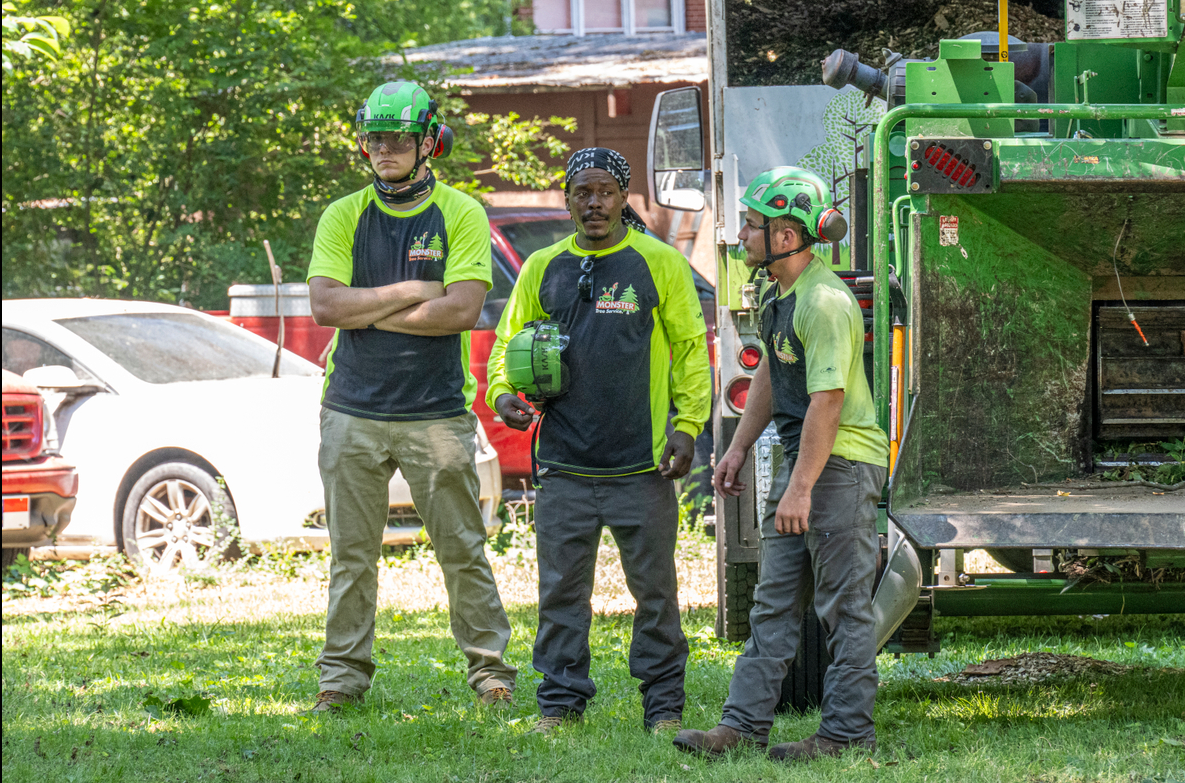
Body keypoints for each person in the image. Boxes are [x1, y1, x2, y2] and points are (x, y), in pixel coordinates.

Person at [306, 80, 517, 712]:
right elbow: (326, 307)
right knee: (351, 557)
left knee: (463, 550)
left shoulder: (461, 212)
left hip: (436, 414)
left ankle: (491, 675)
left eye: (399, 137)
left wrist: (367, 310)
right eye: (374, 137)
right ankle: (341, 681)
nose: (385, 148)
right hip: (351, 410)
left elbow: (461, 310)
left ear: (430, 141)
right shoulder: (343, 214)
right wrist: (411, 290)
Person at [486, 147, 711, 735]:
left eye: (605, 192)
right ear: (567, 200)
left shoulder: (658, 263)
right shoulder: (543, 267)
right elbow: (507, 343)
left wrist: (687, 426)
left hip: (642, 467)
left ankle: (663, 708)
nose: (594, 204)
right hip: (564, 466)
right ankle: (559, 706)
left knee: (656, 595)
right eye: (582, 193)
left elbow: (691, 350)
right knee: (561, 594)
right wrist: (503, 394)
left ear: (623, 198)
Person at [672, 167, 889, 761]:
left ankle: (846, 734)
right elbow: (772, 368)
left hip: (840, 466)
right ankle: (741, 727)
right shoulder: (778, 295)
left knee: (844, 608)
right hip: (807, 464)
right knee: (772, 602)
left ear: (786, 237)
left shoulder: (825, 302)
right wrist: (738, 446)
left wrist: (800, 488)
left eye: (752, 224)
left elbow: (827, 402)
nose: (741, 234)